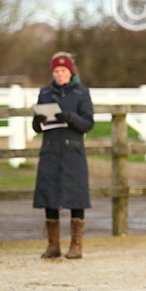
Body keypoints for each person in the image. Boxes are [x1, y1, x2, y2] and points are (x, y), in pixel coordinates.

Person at [31, 51, 94, 258]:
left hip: (72, 152)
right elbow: (36, 127)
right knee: (49, 196)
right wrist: (38, 121)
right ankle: (53, 245)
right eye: (56, 71)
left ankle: (76, 245)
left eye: (63, 70)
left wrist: (67, 117)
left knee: (76, 198)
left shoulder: (81, 93)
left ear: (70, 71)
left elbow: (88, 123)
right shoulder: (45, 93)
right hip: (50, 151)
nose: (59, 74)